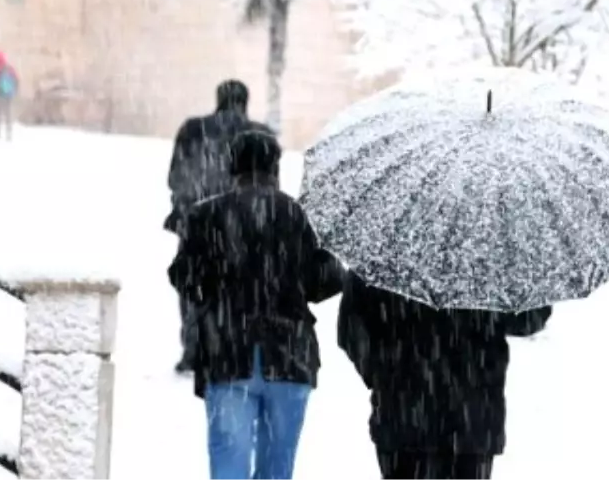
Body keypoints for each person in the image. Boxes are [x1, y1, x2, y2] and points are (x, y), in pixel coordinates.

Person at [167, 129, 342, 480]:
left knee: (229, 458)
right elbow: (329, 281)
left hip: (227, 351)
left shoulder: (207, 215)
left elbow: (182, 276)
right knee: (278, 463)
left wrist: (212, 295)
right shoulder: (300, 216)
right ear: (275, 167)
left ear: (232, 165)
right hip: (289, 354)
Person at [337, 272, 552, 480]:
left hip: (404, 412)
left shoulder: (384, 253)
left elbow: (350, 330)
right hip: (472, 414)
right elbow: (526, 320)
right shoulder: (490, 257)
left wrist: (383, 375)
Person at [165, 79, 272, 373]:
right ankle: (232, 345)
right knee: (239, 287)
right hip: (246, 225)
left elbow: (175, 177)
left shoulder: (192, 130)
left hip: (196, 221)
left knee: (193, 284)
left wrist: (191, 203)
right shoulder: (260, 135)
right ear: (244, 101)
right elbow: (271, 185)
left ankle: (192, 348)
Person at [0, 51, 18, 140]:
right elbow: (16, 80)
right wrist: (14, 91)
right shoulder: (10, 68)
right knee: (7, 113)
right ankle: (8, 131)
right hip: (8, 94)